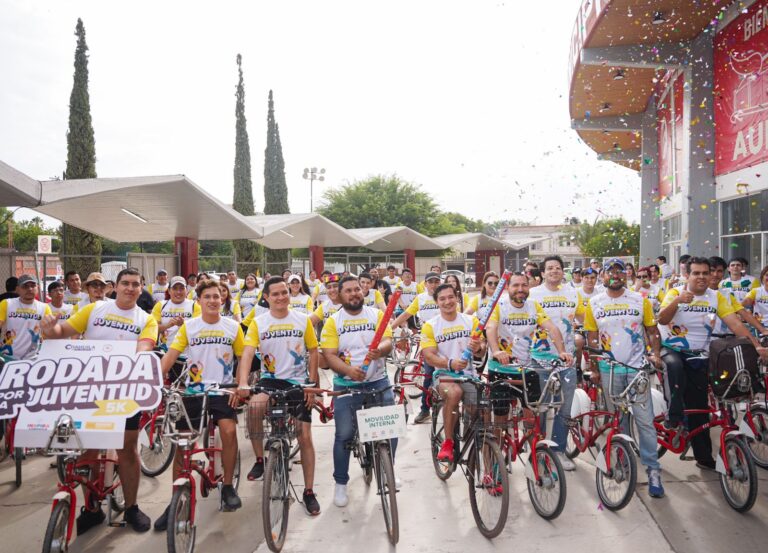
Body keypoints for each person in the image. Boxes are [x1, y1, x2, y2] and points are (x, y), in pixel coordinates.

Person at [41, 268, 159, 533]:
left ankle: (131, 508)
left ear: (141, 289)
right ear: (113, 287)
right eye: (125, 283)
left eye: (135, 284)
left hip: (125, 392)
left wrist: (138, 357)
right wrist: (51, 329)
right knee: (90, 451)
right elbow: (63, 330)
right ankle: (92, 509)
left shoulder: (146, 319)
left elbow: (145, 346)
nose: (130, 288)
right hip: (90, 389)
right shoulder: (94, 311)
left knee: (128, 450)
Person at [657, 257, 768, 470]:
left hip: (700, 355)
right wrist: (677, 301)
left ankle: (703, 456)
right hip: (673, 349)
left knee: (700, 409)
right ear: (687, 275)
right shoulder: (675, 292)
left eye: (705, 273)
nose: (701, 277)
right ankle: (674, 415)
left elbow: (736, 324)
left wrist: (757, 346)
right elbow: (661, 319)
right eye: (696, 273)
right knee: (675, 367)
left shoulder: (716, 297)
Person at [156, 279, 245, 529]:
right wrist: (153, 384)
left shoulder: (233, 327)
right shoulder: (190, 327)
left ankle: (227, 486)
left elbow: (243, 358)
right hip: (194, 391)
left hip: (223, 390)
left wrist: (240, 386)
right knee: (183, 444)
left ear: (223, 299)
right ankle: (175, 499)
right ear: (199, 301)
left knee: (228, 431)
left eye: (217, 296)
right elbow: (170, 356)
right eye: (208, 297)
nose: (213, 301)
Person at [238, 277, 321, 515]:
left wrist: (312, 384)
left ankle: (308, 491)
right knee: (254, 409)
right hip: (270, 380)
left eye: (284, 292)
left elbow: (314, 350)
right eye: (275, 294)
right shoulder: (258, 322)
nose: (281, 297)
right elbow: (247, 353)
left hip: (297, 382)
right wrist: (243, 382)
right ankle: (259, 460)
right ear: (266, 297)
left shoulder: (302, 319)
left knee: (304, 435)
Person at [584, 259, 665, 498]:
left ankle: (653, 469)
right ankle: (621, 460)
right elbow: (592, 339)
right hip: (610, 371)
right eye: (611, 271)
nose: (616, 275)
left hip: (637, 369)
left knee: (645, 422)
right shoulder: (594, 303)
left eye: (620, 271)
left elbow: (652, 331)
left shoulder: (641, 300)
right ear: (603, 275)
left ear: (626, 275)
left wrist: (656, 354)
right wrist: (596, 369)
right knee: (616, 420)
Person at [320, 276, 395, 508]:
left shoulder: (376, 315)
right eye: (349, 291)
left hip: (378, 381)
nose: (354, 293)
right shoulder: (333, 321)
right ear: (340, 296)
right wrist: (349, 372)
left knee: (391, 429)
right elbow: (329, 355)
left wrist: (379, 350)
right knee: (343, 435)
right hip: (347, 386)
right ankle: (341, 483)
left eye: (357, 289)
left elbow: (388, 341)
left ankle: (388, 469)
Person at [485, 272, 570, 448]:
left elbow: (552, 328)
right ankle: (496, 462)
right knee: (500, 418)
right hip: (501, 369)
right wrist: (496, 351)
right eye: (515, 285)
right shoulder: (498, 306)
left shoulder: (534, 306)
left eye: (524, 285)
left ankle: (536, 460)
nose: (520, 289)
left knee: (532, 418)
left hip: (526, 369)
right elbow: (491, 327)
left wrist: (562, 351)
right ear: (507, 287)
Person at [527, 255, 584, 470]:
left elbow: (582, 318)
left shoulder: (572, 293)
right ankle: (539, 451)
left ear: (563, 271)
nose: (554, 271)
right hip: (539, 359)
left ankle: (559, 451)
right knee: (541, 408)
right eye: (549, 268)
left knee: (564, 408)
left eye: (558, 268)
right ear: (542, 273)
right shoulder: (532, 294)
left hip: (566, 359)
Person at [423, 283, 482, 462]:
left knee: (482, 410)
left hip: (469, 375)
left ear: (457, 298)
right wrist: (450, 363)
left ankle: (478, 446)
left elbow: (482, 351)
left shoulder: (472, 321)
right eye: (442, 299)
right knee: (454, 393)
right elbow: (429, 357)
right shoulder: (430, 326)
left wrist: (479, 347)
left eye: (450, 297)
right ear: (437, 302)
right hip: (444, 376)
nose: (447, 302)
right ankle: (448, 441)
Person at [392, 271, 443, 423]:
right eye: (430, 281)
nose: (433, 284)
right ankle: (425, 410)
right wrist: (390, 328)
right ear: (425, 284)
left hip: (446, 340)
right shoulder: (420, 299)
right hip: (428, 342)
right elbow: (406, 314)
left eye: (436, 281)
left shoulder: (444, 296)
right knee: (428, 375)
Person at [710, 257, 767, 335]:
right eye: (732, 265)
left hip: (733, 326)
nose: (715, 275)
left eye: (738, 265)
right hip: (708, 335)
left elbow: (745, 309)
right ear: (728, 268)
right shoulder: (723, 283)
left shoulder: (752, 280)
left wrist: (762, 330)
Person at [0, 274, 51, 359]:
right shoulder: (6, 304)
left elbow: (49, 333)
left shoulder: (44, 307)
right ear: (17, 289)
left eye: (33, 286)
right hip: (7, 357)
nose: (30, 289)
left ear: (38, 288)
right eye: (25, 286)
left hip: (33, 358)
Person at [152, 276, 201, 350]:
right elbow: (152, 328)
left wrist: (184, 324)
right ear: (169, 291)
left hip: (188, 351)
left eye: (181, 288)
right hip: (166, 350)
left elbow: (200, 330)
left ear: (186, 290)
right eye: (175, 288)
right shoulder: (160, 305)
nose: (178, 292)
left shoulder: (195, 306)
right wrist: (168, 325)